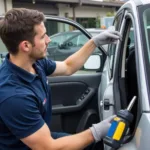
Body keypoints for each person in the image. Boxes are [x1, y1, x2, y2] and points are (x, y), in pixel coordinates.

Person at [0, 8, 121, 150]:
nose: (49, 40)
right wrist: (97, 131)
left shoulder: (35, 63)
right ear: (26, 46)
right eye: (43, 36)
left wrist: (94, 42)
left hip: (39, 139)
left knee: (92, 145)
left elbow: (68, 66)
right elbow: (49, 147)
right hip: (30, 147)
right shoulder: (13, 96)